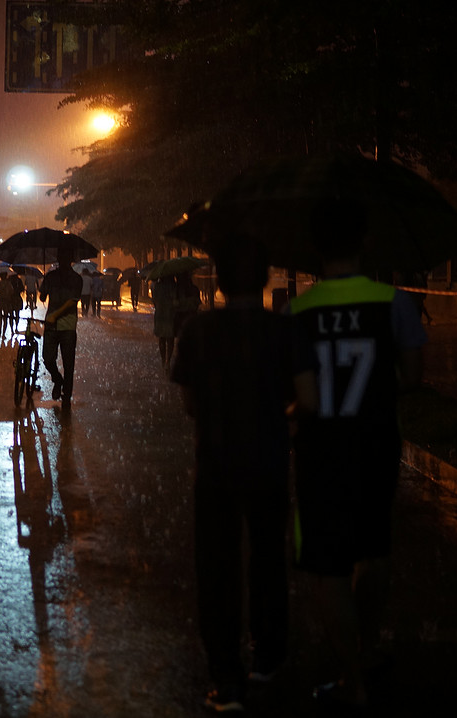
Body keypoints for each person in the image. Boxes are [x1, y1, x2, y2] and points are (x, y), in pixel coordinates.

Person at [288, 200, 426, 713]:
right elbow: (413, 379)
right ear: (363, 242)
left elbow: (300, 392)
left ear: (315, 248)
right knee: (374, 550)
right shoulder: (395, 302)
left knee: (326, 566)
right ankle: (368, 652)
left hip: (321, 448)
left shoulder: (297, 312)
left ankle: (352, 680)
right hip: (376, 442)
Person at [171, 234, 317, 713]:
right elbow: (308, 400)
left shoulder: (196, 329)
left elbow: (190, 403)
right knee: (268, 559)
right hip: (269, 462)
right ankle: (268, 658)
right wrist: (279, 418)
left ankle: (225, 675)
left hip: (214, 466)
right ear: (264, 278)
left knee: (217, 567)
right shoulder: (283, 330)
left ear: (219, 278)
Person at [39, 249, 83, 405]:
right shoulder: (50, 277)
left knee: (68, 362)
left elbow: (73, 301)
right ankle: (58, 380)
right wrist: (43, 287)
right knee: (48, 359)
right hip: (51, 325)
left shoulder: (76, 279)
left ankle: (67, 396)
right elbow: (42, 296)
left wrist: (55, 315)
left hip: (67, 325)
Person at [152, 275, 178, 369]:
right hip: (170, 314)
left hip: (160, 314)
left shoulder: (157, 286)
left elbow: (154, 300)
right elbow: (175, 300)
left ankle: (163, 360)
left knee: (161, 338)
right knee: (170, 339)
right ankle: (168, 360)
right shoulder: (173, 286)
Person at [0, 271, 17, 339]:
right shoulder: (8, 284)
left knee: (0, 318)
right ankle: (3, 334)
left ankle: (0, 332)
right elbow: (12, 292)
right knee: (5, 318)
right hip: (6, 302)